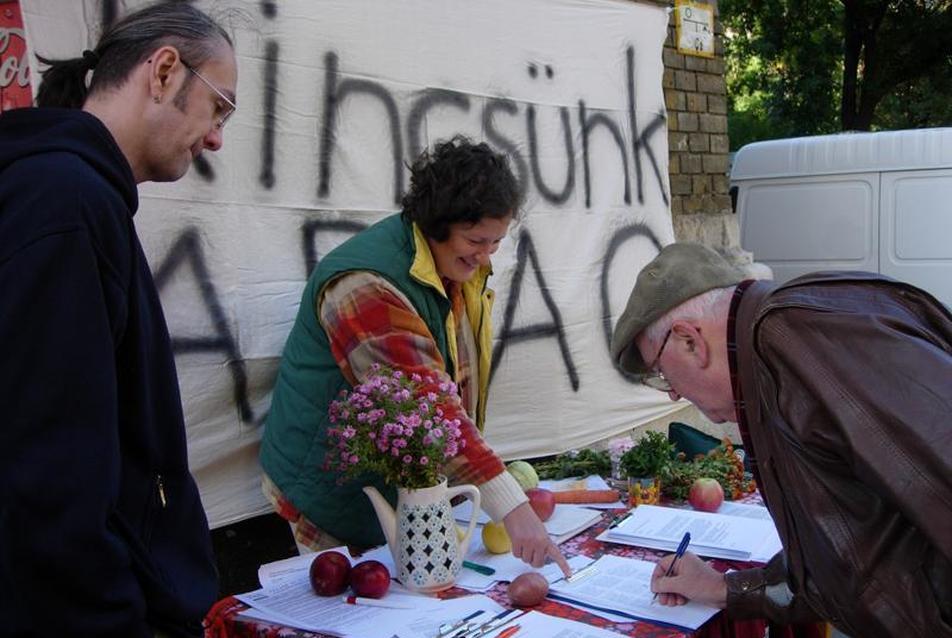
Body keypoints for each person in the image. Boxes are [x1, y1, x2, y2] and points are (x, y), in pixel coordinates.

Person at [0, 3, 237, 636]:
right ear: (163, 72)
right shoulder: (65, 202)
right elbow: (51, 469)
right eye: (219, 106)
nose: (216, 137)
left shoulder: (76, 194)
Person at [261, 136, 570, 576]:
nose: (485, 257)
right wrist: (513, 508)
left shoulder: (452, 263)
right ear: (437, 222)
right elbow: (428, 408)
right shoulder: (366, 285)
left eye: (496, 243)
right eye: (476, 241)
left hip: (400, 483)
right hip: (325, 488)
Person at [610, 243, 952, 637]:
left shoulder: (795, 339)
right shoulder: (768, 357)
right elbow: (851, 560)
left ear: (691, 342)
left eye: (663, 374)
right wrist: (728, 589)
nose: (673, 394)